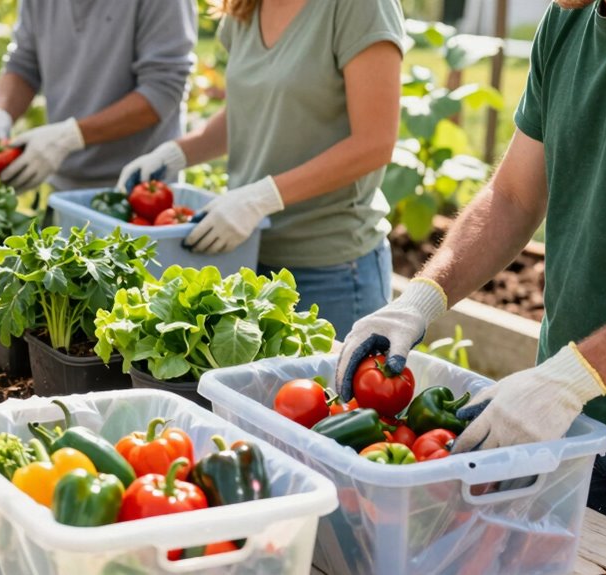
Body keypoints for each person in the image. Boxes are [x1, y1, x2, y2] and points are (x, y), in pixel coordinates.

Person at [335, 0, 606, 532]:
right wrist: (420, 299)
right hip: (564, 421)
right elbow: (513, 197)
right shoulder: (567, 20)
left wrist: (574, 377)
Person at [118, 0, 405, 337]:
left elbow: (374, 143)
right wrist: (175, 154)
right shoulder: (246, 6)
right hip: (248, 259)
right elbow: (249, 111)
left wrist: (262, 198)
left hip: (332, 272)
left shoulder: (359, 7)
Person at [0, 0, 198, 192]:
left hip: (140, 190)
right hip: (63, 186)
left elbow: (162, 90)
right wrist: (0, 114)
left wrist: (69, 137)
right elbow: (24, 63)